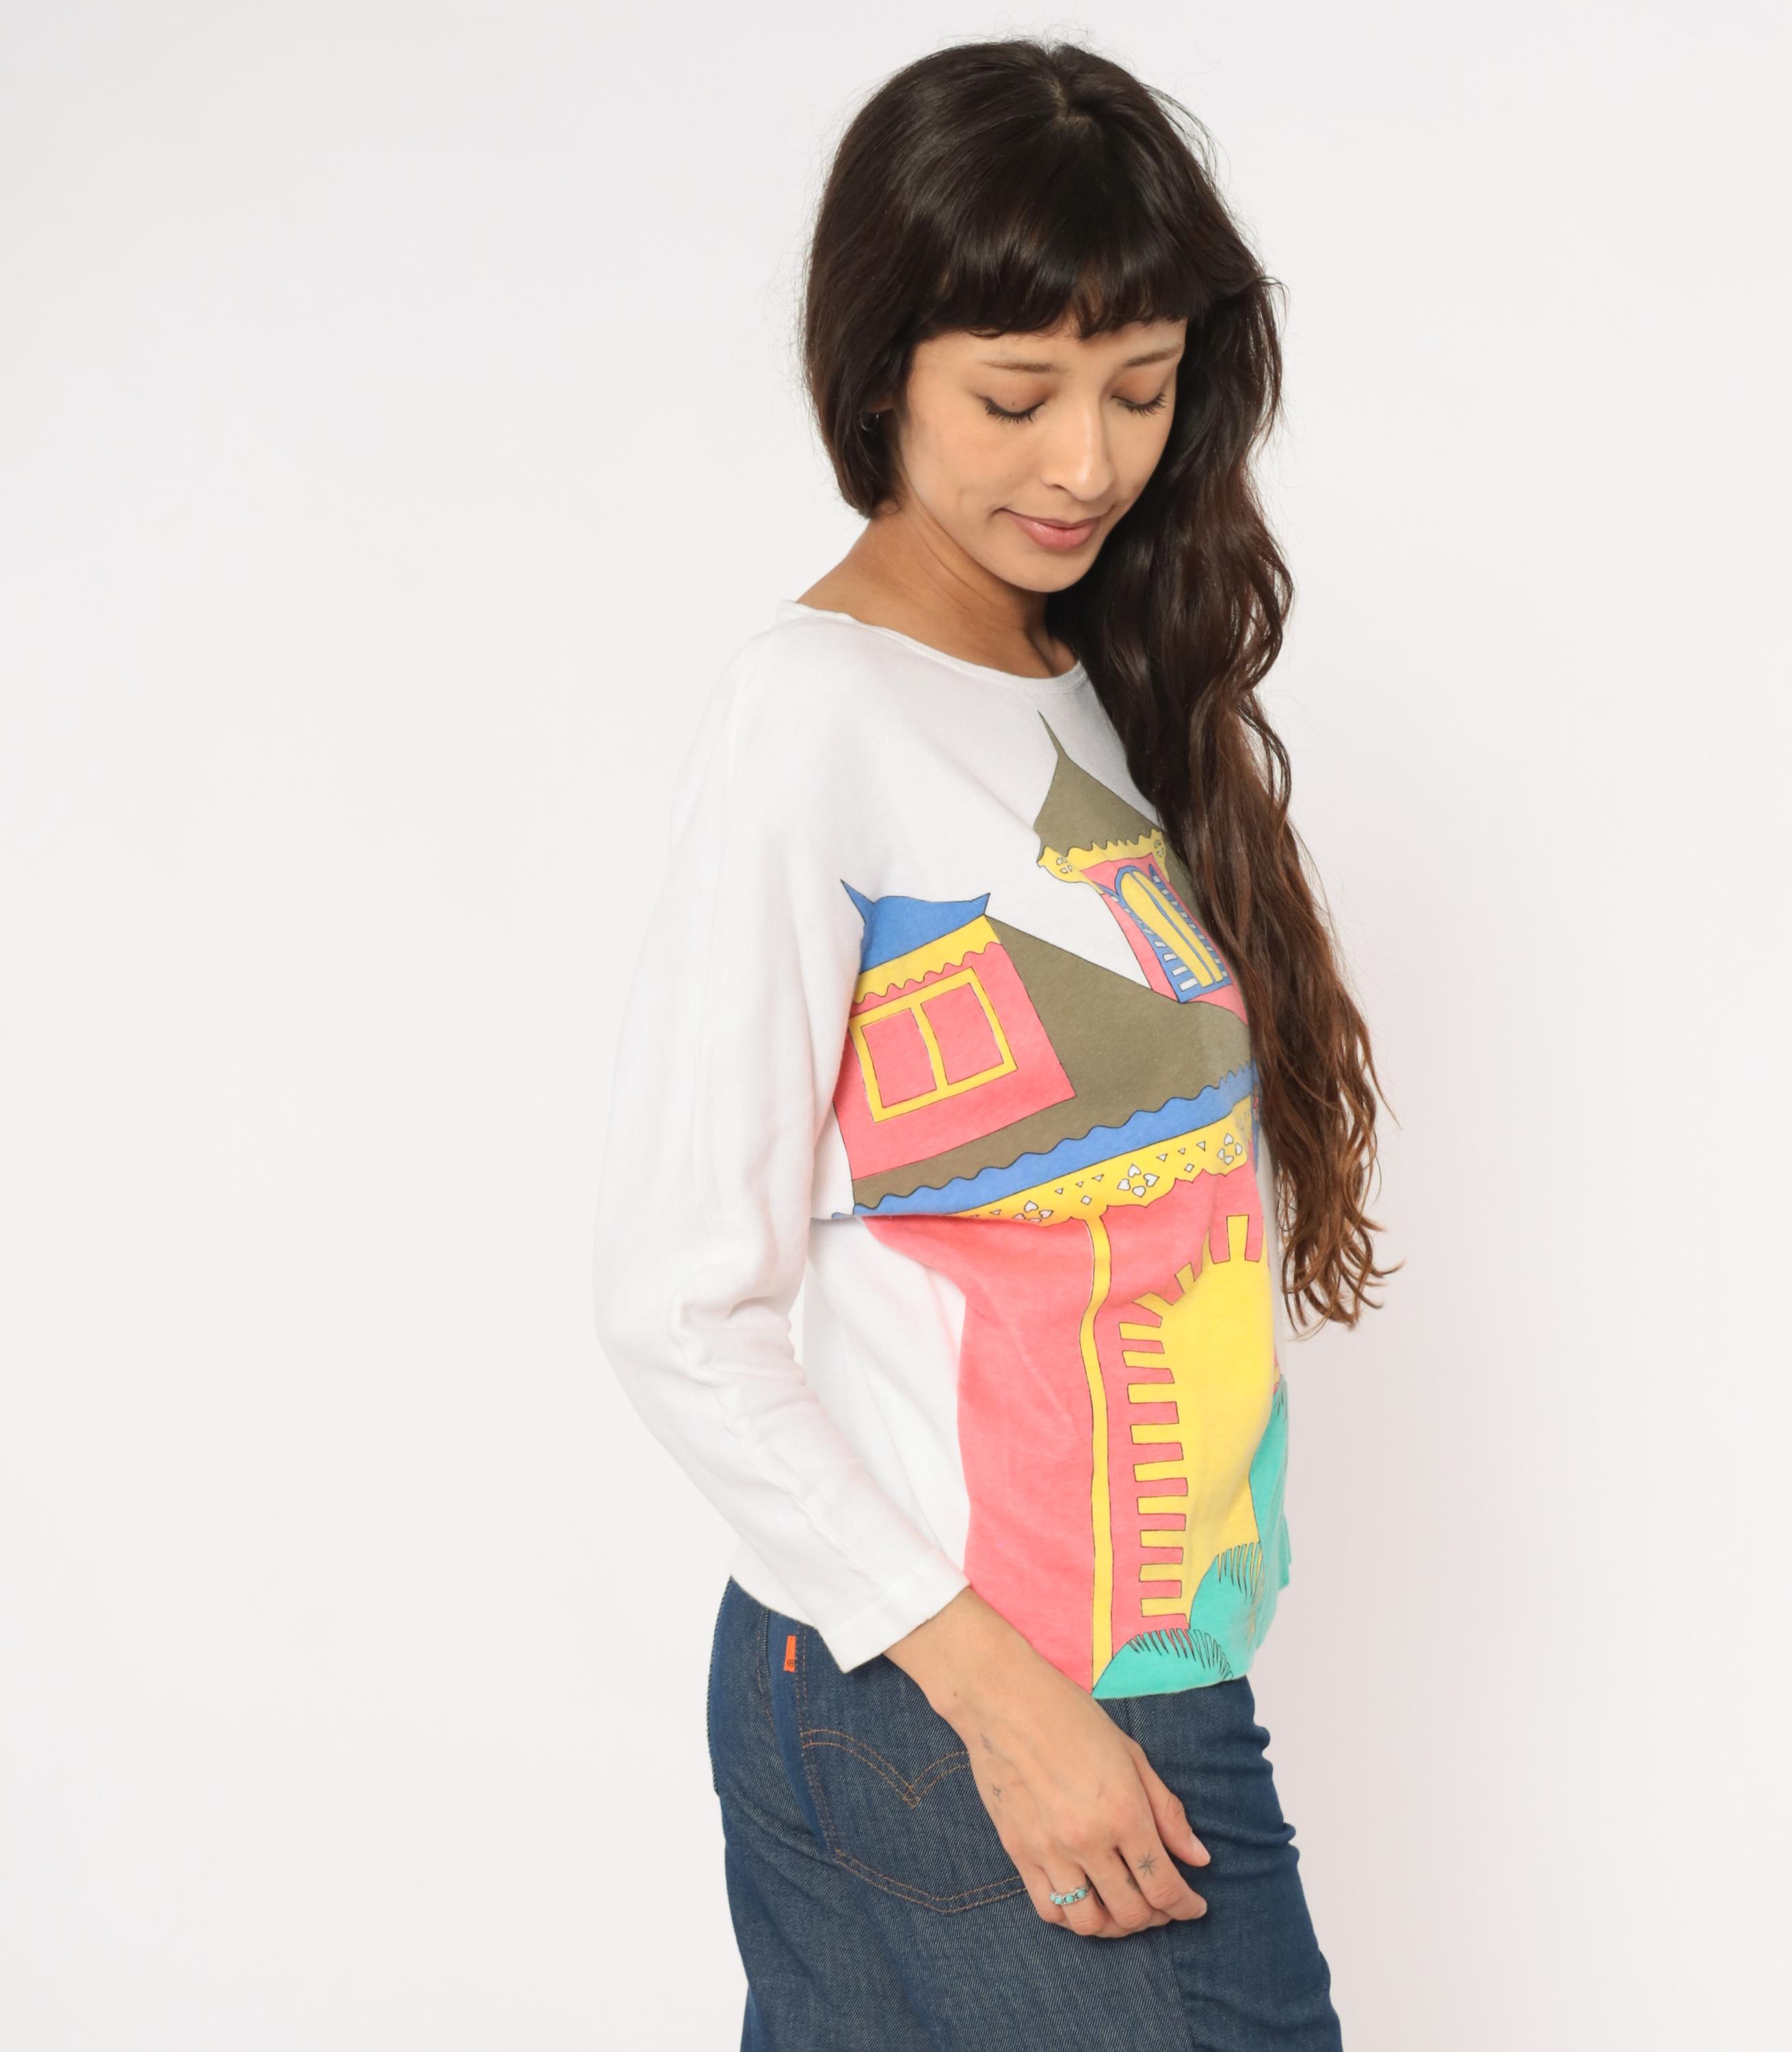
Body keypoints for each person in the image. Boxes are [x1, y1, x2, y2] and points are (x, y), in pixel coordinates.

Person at [591, 36, 1390, 2051]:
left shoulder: (1084, 684)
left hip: (1133, 1678)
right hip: (956, 1699)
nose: (1088, 465)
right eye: (1017, 397)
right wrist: (1001, 1697)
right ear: (882, 375)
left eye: (1142, 387)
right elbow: (680, 1302)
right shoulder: (815, 713)